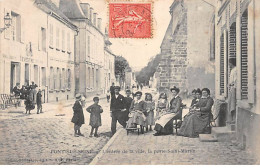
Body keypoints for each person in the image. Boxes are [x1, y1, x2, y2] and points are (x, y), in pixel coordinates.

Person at [227, 58, 237, 124]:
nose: (229, 64)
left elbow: (235, 80)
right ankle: (231, 119)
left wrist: (231, 84)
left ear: (232, 63)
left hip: (234, 88)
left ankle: (233, 119)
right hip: (231, 88)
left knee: (233, 104)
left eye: (229, 63)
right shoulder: (232, 70)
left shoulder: (236, 70)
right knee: (230, 103)